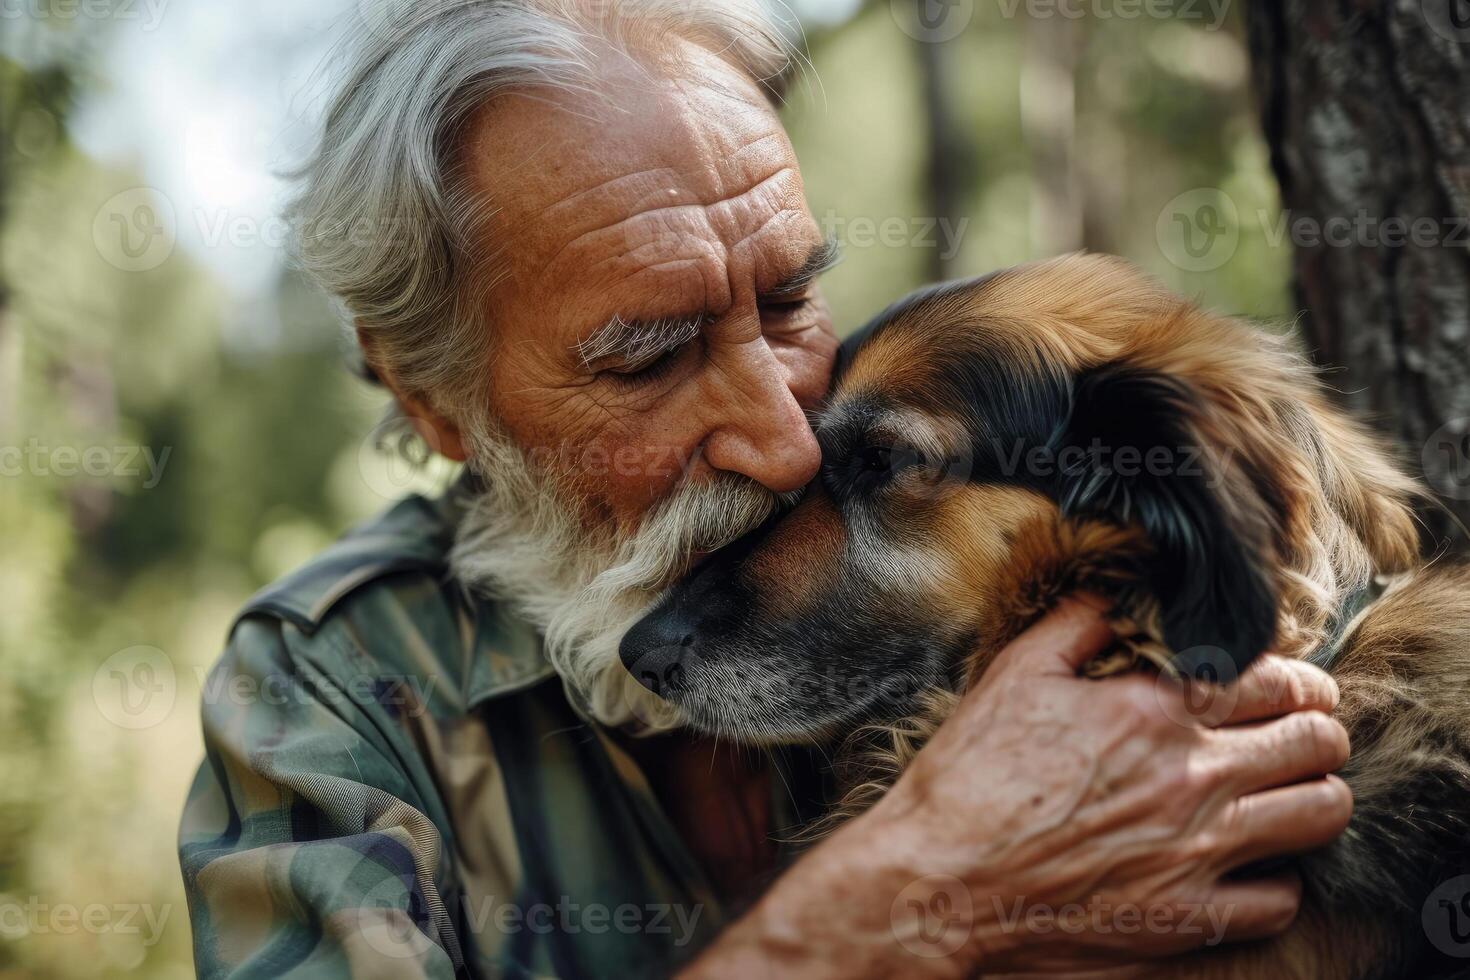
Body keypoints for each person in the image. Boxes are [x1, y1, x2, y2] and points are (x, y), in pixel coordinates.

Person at [177, 2, 1352, 976]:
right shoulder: (327, 701)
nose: (786, 440)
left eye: (789, 298)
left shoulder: (965, 504)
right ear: (434, 401)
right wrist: (909, 897)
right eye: (647, 354)